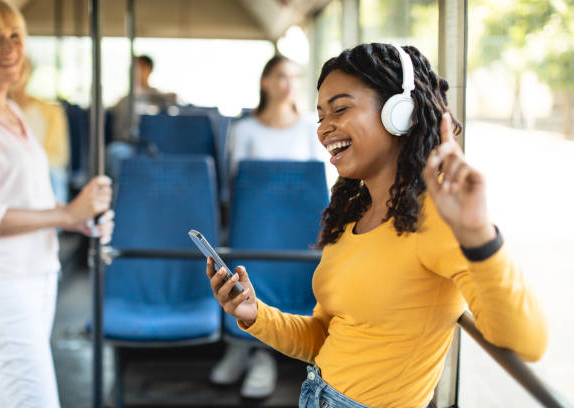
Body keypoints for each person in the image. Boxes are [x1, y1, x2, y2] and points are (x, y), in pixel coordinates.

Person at [205, 43, 547, 408]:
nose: (324, 129)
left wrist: (479, 235)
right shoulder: (350, 215)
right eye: (320, 115)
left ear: (399, 113)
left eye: (340, 109)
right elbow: (324, 338)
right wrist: (256, 314)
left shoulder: (435, 219)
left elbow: (526, 341)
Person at [0, 1, 114, 407]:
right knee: (36, 396)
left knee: (11, 390)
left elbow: (35, 200)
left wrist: (80, 222)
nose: (8, 47)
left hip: (39, 272)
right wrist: (67, 213)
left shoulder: (15, 112)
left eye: (14, 36)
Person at [212, 54, 329, 399]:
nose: (288, 84)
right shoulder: (245, 129)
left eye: (293, 77)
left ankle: (260, 353)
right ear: (265, 82)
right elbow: (236, 187)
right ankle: (246, 347)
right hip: (256, 224)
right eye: (280, 76)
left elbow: (317, 187)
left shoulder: (311, 127)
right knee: (251, 271)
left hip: (300, 230)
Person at [10, 58, 71, 204]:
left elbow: (59, 156)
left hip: (42, 169)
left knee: (53, 175)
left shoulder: (50, 112)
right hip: (11, 170)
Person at [106, 55, 178, 177]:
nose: (134, 72)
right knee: (115, 152)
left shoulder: (161, 98)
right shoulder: (124, 100)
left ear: (148, 69)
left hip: (154, 146)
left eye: (138, 68)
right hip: (129, 145)